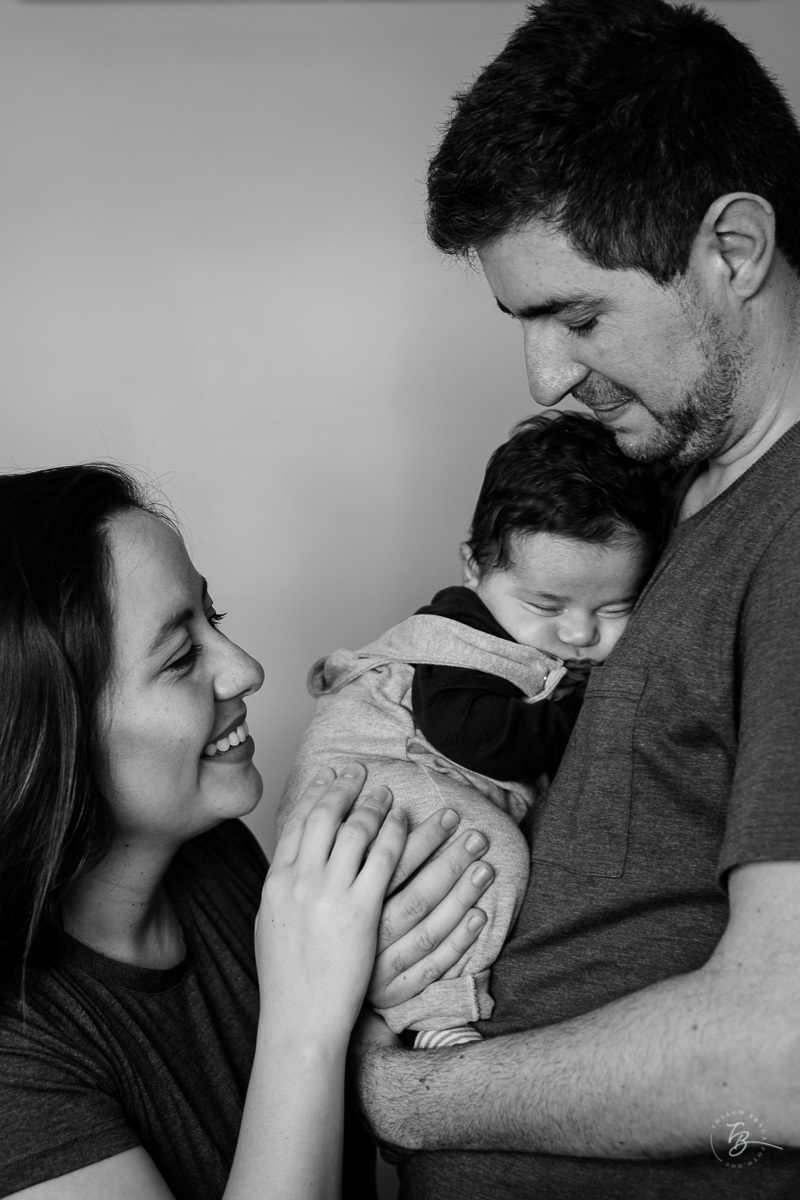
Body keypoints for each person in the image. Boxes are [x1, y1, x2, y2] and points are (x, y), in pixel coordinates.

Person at [353, 1, 800, 1197]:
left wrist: (402, 1096)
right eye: (523, 320)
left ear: (733, 249)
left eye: (577, 314)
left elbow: (781, 1058)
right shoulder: (664, 499)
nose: (545, 377)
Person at [0, 462, 496, 1200]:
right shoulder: (16, 1064)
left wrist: (364, 1000)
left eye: (216, 619)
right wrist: (305, 1023)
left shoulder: (216, 852)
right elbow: (306, 1040)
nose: (247, 669)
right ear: (50, 733)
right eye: (180, 657)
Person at [280, 412, 667, 1050]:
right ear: (474, 568)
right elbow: (472, 735)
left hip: (409, 781)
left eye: (615, 607)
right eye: (545, 605)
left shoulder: (536, 633)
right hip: (373, 776)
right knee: (488, 855)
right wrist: (575, 716)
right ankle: (437, 1017)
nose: (578, 632)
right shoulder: (457, 636)